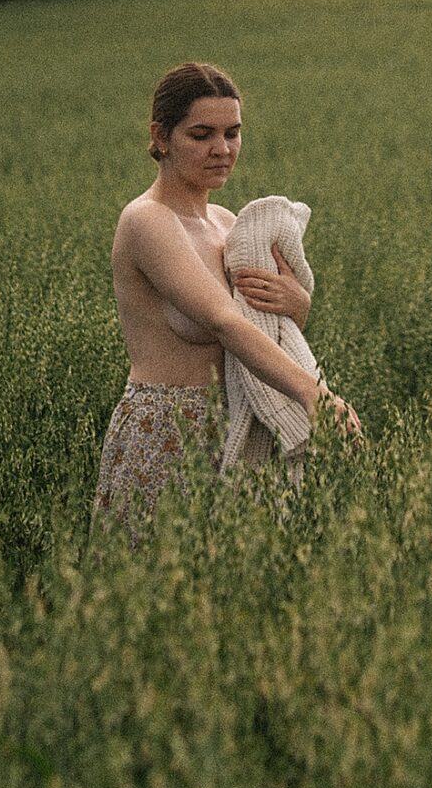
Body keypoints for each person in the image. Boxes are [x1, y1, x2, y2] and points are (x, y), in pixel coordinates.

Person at [93, 60, 361, 535]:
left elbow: (273, 326)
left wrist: (297, 304)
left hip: (242, 425)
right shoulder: (146, 220)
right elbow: (224, 322)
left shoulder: (230, 225)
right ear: (160, 136)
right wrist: (313, 394)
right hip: (166, 433)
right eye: (201, 135)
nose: (222, 149)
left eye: (232, 133)